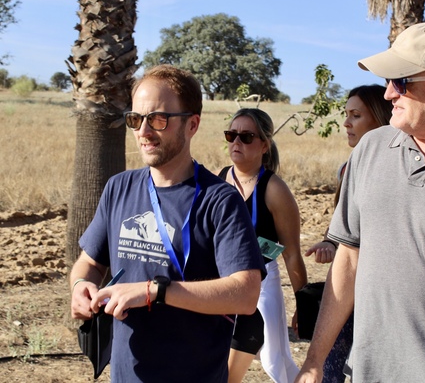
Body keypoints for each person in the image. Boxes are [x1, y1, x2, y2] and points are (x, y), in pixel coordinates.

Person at [70, 64, 266, 383]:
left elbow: (245, 294)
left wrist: (155, 291)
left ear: (192, 124)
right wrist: (81, 287)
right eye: (136, 119)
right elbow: (88, 263)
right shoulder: (119, 188)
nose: (144, 132)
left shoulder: (221, 201)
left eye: (158, 119)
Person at [296, 20, 425, 383]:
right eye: (387, 81)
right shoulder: (372, 148)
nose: (388, 94)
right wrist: (315, 361)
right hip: (364, 373)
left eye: (403, 81)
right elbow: (348, 259)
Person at [304, 84, 391, 382]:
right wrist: (330, 243)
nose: (346, 123)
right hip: (348, 291)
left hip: (382, 297)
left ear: (381, 119)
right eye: (346, 114)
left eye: (356, 115)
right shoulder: (347, 168)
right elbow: (345, 230)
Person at [216, 108, 308, 383]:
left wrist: (303, 306)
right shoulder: (218, 179)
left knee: (273, 362)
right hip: (221, 286)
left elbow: (291, 254)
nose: (236, 143)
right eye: (231, 135)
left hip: (260, 288)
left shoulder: (274, 189)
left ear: (264, 145)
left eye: (246, 137)